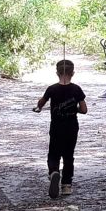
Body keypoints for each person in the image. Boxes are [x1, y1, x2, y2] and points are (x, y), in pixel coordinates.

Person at [33, 59, 87, 199]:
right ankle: (66, 185)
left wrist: (38, 107)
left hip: (56, 128)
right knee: (69, 156)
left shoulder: (52, 89)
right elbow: (84, 109)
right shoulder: (77, 89)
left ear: (57, 73)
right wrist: (73, 108)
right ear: (73, 73)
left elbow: (41, 102)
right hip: (72, 128)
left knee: (53, 154)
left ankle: (53, 172)